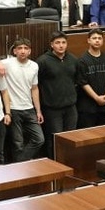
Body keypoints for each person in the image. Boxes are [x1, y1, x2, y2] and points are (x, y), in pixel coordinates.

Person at [0, 38, 44, 161]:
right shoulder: (8, 63)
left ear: (30, 51)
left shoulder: (34, 66)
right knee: (17, 143)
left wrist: (38, 111)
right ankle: (21, 166)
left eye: (26, 48)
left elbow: (34, 89)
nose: (23, 51)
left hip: (29, 108)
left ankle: (21, 162)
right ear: (14, 51)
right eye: (19, 48)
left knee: (39, 139)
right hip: (13, 109)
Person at [37, 31, 80, 159]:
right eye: (57, 43)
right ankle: (55, 164)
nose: (61, 45)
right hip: (52, 109)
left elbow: (76, 80)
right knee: (55, 139)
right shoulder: (43, 61)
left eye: (63, 42)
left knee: (71, 137)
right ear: (52, 44)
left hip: (71, 107)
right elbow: (36, 85)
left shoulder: (73, 59)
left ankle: (69, 162)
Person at [76, 29, 105, 128]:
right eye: (94, 38)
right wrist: (97, 98)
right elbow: (83, 83)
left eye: (99, 38)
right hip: (88, 108)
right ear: (88, 40)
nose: (97, 40)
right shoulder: (82, 60)